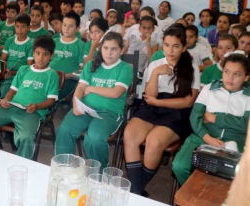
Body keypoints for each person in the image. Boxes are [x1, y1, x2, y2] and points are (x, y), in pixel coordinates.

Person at [123, 25, 199, 195]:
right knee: (129, 134)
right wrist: (156, 73)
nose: (170, 50)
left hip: (176, 111)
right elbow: (149, 96)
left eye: (176, 46)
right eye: (166, 45)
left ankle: (134, 189)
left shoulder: (191, 69)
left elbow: (188, 102)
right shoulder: (156, 64)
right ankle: (137, 189)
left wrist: (158, 103)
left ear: (184, 47)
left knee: (154, 141)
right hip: (153, 106)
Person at [55, 32, 133, 168]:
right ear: (100, 48)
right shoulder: (91, 65)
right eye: (106, 48)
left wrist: (91, 89)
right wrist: (76, 104)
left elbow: (116, 93)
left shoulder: (125, 68)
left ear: (121, 50)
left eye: (114, 49)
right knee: (64, 130)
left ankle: (99, 174)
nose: (109, 53)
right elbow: (80, 87)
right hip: (86, 108)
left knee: (94, 139)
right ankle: (63, 168)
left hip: (109, 113)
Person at [0, 36, 59, 159]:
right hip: (12, 106)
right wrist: (6, 99)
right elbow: (12, 90)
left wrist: (37, 106)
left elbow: (51, 100)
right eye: (37, 53)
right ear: (33, 53)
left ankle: (23, 163)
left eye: (45, 54)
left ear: (51, 56)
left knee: (26, 137)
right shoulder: (23, 69)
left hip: (32, 112)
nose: (40, 58)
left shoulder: (52, 74)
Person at [173, 53, 250, 185]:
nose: (230, 78)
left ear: (246, 77)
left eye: (237, 74)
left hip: (236, 140)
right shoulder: (210, 89)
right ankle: (194, 195)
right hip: (202, 135)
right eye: (226, 72)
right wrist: (207, 137)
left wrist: (213, 117)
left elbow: (245, 125)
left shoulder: (248, 97)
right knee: (179, 166)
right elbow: (195, 117)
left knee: (237, 178)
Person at [50, 12, 85, 101]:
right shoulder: (54, 41)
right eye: (65, 25)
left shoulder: (81, 45)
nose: (66, 29)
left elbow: (81, 69)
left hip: (67, 81)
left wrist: (64, 76)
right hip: (49, 76)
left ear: (77, 28)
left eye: (71, 26)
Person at [0, 14, 34, 98]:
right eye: (17, 27)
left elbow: (29, 67)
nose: (19, 30)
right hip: (6, 72)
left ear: (29, 28)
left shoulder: (31, 43)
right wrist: (4, 71)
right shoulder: (9, 40)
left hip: (19, 74)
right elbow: (3, 60)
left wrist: (13, 73)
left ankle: (2, 104)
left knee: (6, 88)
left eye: (23, 27)